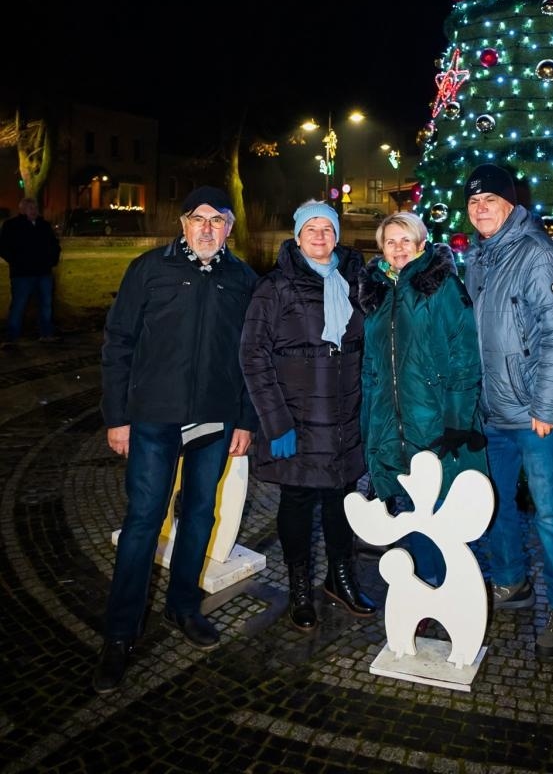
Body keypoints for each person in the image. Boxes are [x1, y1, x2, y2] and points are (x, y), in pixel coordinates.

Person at [92, 186, 259, 695]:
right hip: (154, 416)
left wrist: (245, 419)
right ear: (183, 223)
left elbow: (252, 355)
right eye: (197, 219)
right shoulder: (149, 269)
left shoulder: (242, 278)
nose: (207, 228)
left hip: (213, 418)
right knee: (144, 519)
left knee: (200, 515)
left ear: (229, 227)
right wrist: (117, 416)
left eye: (217, 220)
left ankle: (183, 606)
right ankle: (120, 633)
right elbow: (119, 342)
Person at [463, 163, 553, 661]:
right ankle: (511, 581)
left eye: (489, 200)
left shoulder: (536, 254)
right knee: (494, 504)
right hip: (492, 412)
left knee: (552, 511)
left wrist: (548, 405)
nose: (480, 209)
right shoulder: (479, 256)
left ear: (511, 204)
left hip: (537, 415)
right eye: (473, 202)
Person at [239, 200, 375, 632]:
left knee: (341, 499)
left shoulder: (356, 281)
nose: (320, 236)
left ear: (337, 235)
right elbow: (253, 355)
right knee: (297, 501)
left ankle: (340, 577)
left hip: (345, 416)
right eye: (311, 229)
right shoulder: (275, 287)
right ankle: (299, 585)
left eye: (327, 228)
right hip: (296, 418)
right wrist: (275, 421)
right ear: (297, 237)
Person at [358, 211, 487, 588]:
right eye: (390, 242)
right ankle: (422, 588)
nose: (398, 248)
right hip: (392, 423)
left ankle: (454, 590)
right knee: (411, 507)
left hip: (435, 419)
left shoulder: (441, 285)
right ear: (381, 249)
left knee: (443, 508)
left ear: (420, 243)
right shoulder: (377, 291)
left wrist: (458, 421)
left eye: (406, 240)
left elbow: (465, 353)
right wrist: (369, 423)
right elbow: (371, 364)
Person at [0, 196, 62, 345]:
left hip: (43, 272)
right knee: (19, 305)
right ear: (22, 210)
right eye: (30, 208)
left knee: (45, 304)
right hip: (22, 273)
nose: (33, 211)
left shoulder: (44, 225)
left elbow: (54, 245)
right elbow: (3, 247)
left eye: (35, 208)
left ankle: (46, 333)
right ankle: (12, 337)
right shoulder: (12, 226)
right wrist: (16, 261)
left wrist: (52, 260)